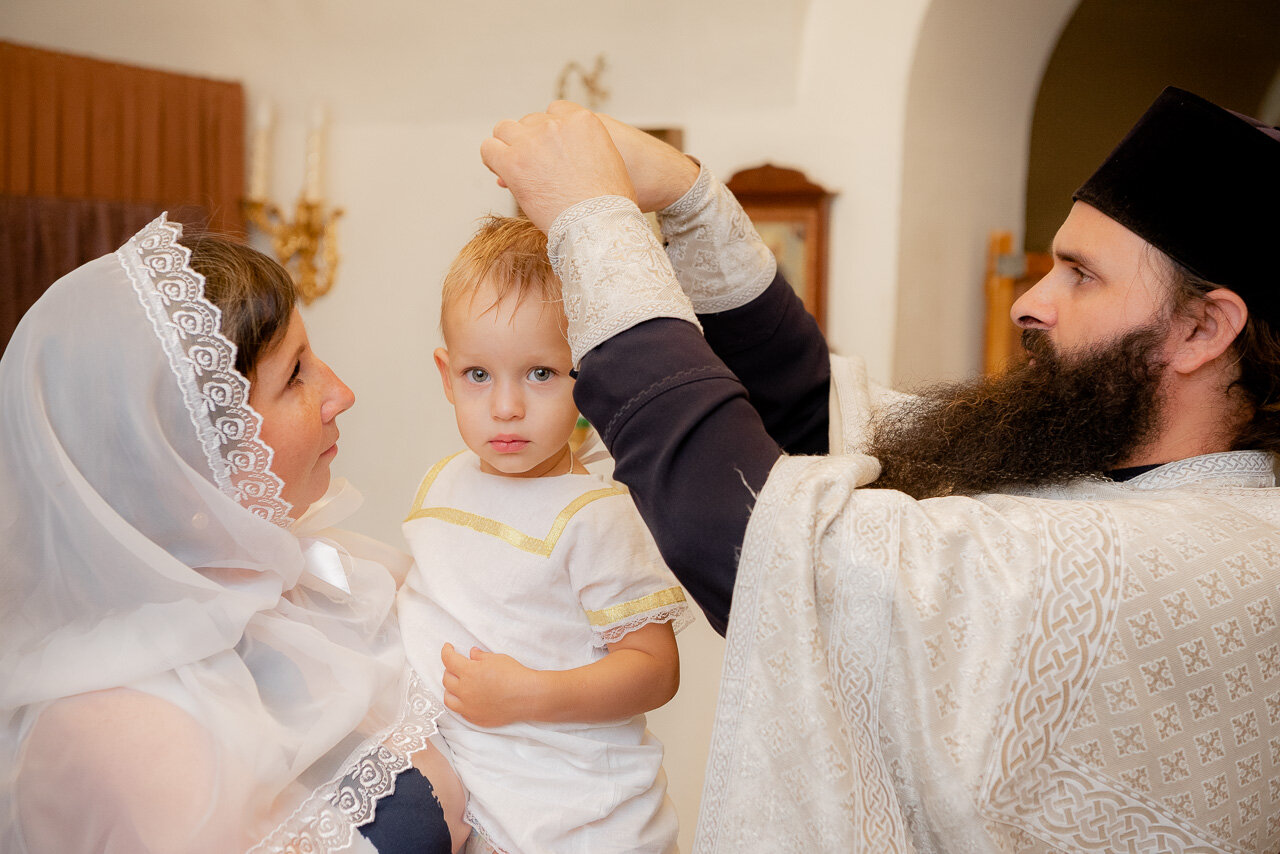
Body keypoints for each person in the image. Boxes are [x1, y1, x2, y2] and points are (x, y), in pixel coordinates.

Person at [479, 88, 1280, 851]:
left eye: (1083, 274)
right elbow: (820, 425)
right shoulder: (1113, 480)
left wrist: (594, 227)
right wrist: (691, 204)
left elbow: (771, 540)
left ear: (1203, 328)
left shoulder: (1206, 554)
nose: (1027, 302)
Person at [0, 218, 469, 853]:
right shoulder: (109, 737)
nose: (341, 393)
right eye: (295, 375)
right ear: (184, 456)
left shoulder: (334, 576)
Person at [396, 216, 690, 854]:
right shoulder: (442, 482)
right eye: (479, 375)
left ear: (588, 380)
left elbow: (654, 670)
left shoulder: (597, 513)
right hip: (470, 790)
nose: (505, 407)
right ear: (446, 375)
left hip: (574, 814)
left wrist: (529, 693)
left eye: (540, 374)